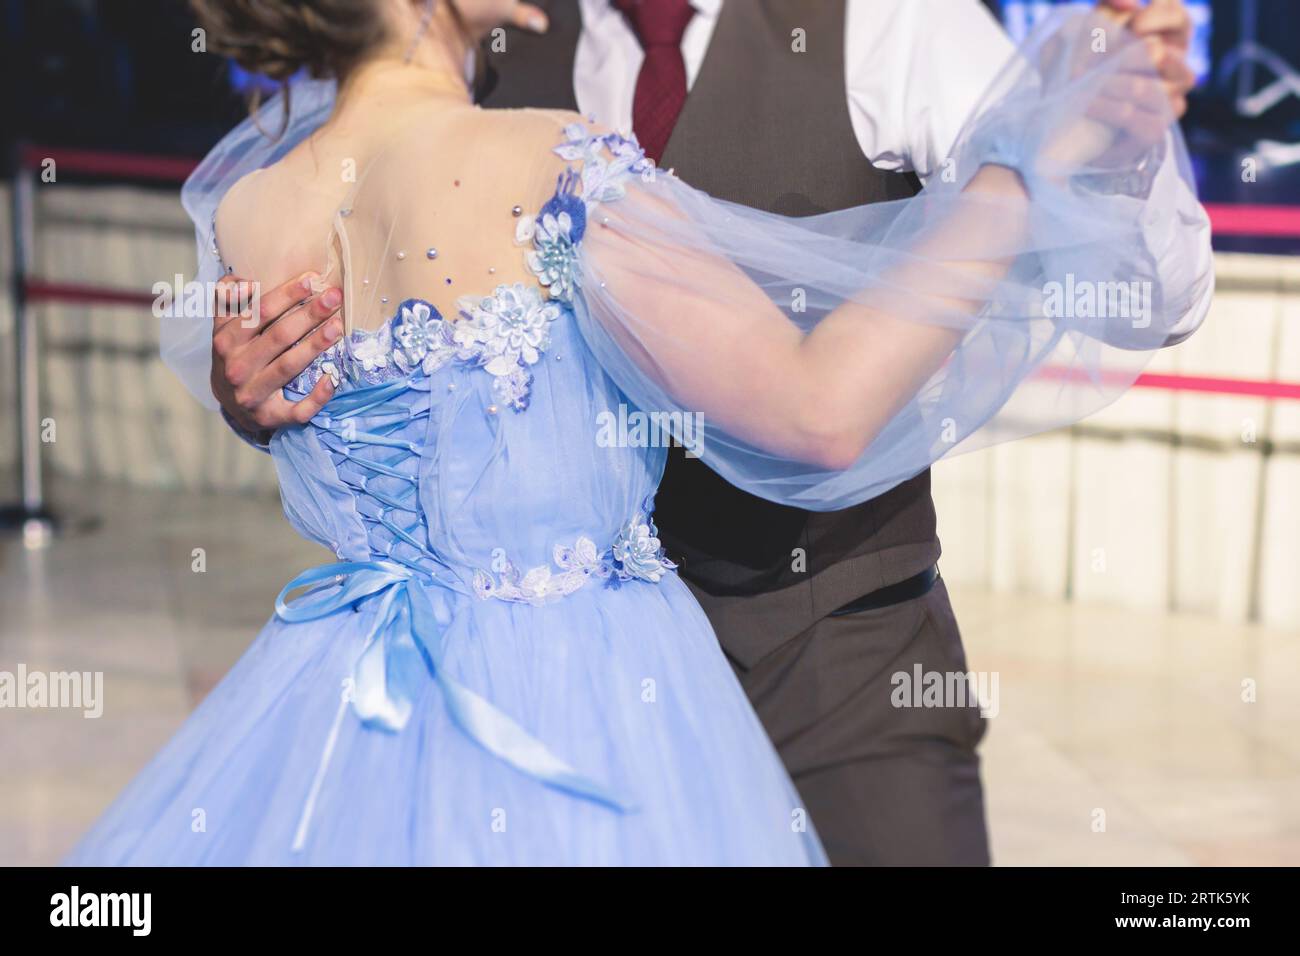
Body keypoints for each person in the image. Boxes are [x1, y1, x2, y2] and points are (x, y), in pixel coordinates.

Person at [70, 0, 1211, 865]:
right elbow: (816, 410)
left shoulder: (251, 205)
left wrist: (1102, 139)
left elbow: (1158, 291)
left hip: (800, 671)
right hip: (598, 691)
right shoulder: (542, 147)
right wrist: (1025, 156)